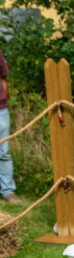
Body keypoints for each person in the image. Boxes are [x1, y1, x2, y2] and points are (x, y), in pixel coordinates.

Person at [0, 47, 19, 205]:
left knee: (4, 151)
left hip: (0, 109)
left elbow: (3, 76)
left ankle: (8, 190)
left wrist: (4, 100)